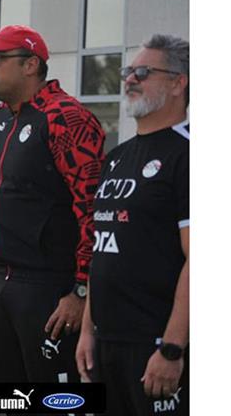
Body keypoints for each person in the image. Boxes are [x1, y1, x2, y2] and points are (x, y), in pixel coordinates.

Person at [0, 25, 105, 383]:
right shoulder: (4, 117)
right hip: (4, 281)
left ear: (30, 65)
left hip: (49, 288)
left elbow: (93, 209)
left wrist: (80, 290)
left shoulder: (66, 117)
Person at [76, 34, 189, 415]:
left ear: (178, 83)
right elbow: (103, 247)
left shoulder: (188, 154)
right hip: (107, 343)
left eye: (143, 72)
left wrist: (172, 348)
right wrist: (88, 331)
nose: (129, 79)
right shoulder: (117, 157)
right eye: (128, 71)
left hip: (155, 345)